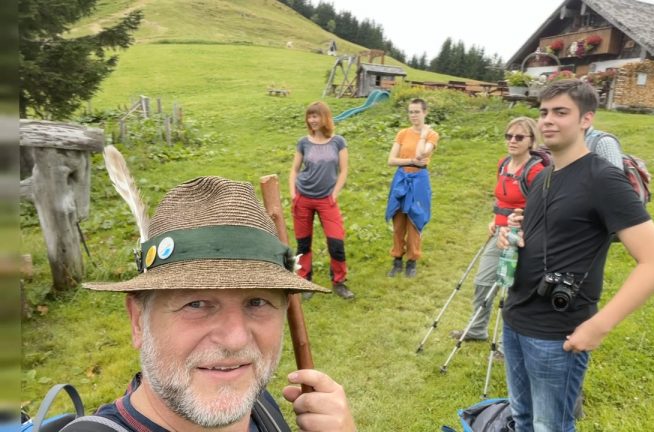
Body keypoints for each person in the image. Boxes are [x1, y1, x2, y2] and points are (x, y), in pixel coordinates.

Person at [77, 176, 356, 432]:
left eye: (257, 302)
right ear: (138, 320)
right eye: (196, 304)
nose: (235, 340)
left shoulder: (258, 405)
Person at [497, 79, 654, 431]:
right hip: (515, 319)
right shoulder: (544, 175)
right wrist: (510, 236)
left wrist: (599, 326)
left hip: (557, 334)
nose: (548, 120)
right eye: (544, 112)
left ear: (586, 119)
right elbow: (543, 237)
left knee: (551, 426)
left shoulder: (603, 179)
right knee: (522, 419)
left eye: (561, 112)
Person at [449, 117, 545, 347]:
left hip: (520, 237)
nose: (512, 140)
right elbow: (501, 197)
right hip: (498, 232)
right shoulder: (503, 164)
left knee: (511, 288)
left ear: (531, 141)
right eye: (509, 136)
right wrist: (495, 219)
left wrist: (518, 228)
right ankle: (478, 328)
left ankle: (506, 342)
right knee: (483, 280)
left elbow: (541, 209)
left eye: (519, 137)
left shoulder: (536, 171)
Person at [289, 101, 353, 299]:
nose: (312, 120)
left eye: (316, 116)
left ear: (325, 117)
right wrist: (293, 193)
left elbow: (343, 170)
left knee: (336, 242)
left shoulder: (338, 142)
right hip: (303, 198)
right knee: (303, 243)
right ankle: (305, 280)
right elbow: (294, 170)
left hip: (327, 200)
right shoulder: (303, 142)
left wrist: (334, 194)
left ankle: (339, 281)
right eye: (310, 116)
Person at [385, 98, 439, 278]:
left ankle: (412, 261)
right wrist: (409, 161)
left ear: (425, 112)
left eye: (417, 112)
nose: (413, 115)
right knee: (398, 220)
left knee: (415, 219)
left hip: (420, 180)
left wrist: (423, 134)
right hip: (401, 178)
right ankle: (397, 259)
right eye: (411, 112)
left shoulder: (432, 135)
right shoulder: (402, 133)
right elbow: (391, 160)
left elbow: (421, 154)